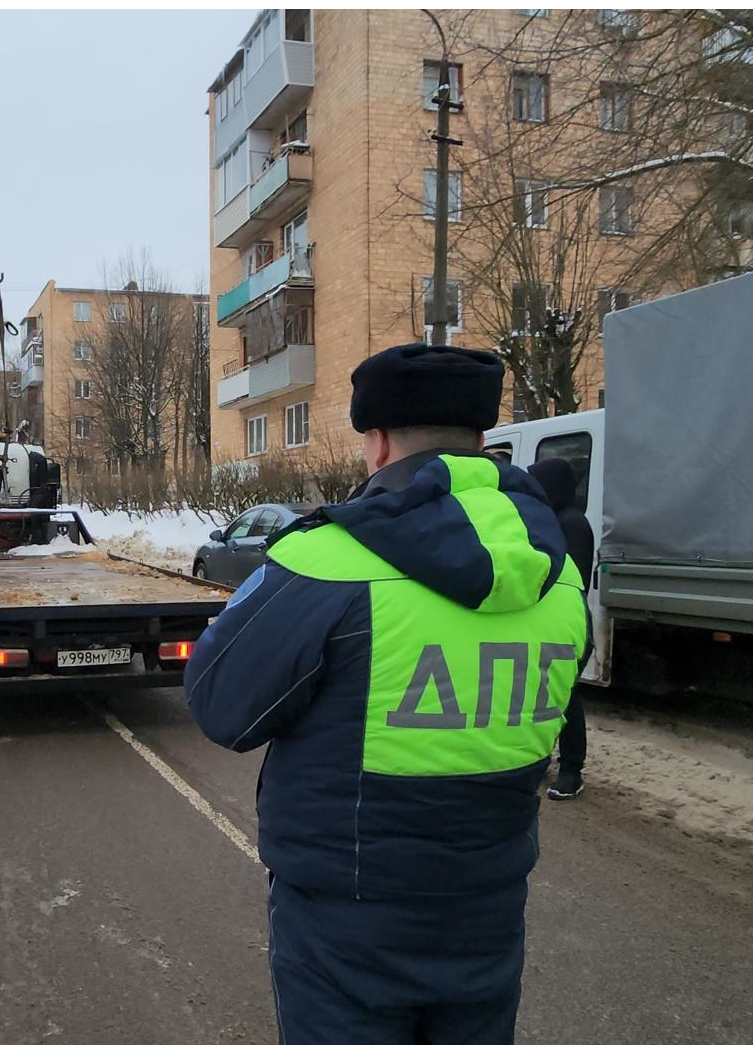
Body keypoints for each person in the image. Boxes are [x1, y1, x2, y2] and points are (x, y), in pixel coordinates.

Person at [185, 343, 587, 1045]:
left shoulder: (327, 560)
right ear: (483, 441)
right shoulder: (559, 573)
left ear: (376, 444)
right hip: (488, 908)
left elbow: (221, 703)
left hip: (347, 919)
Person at [528, 457, 596, 800]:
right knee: (547, 694)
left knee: (566, 697)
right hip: (553, 622)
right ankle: (544, 758)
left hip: (569, 624)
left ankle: (572, 770)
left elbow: (567, 578)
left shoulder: (572, 524)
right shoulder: (555, 520)